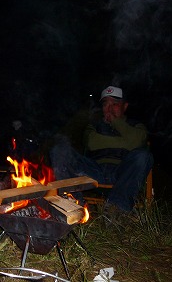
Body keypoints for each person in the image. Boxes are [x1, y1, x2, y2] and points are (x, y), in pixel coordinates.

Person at [50, 85, 154, 216]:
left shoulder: (136, 125)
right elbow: (92, 143)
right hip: (95, 171)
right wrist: (125, 142)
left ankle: (116, 209)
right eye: (106, 105)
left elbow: (136, 141)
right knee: (59, 150)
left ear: (125, 106)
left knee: (143, 156)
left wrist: (116, 123)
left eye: (115, 104)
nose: (109, 109)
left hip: (123, 173)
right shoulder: (94, 125)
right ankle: (74, 204)